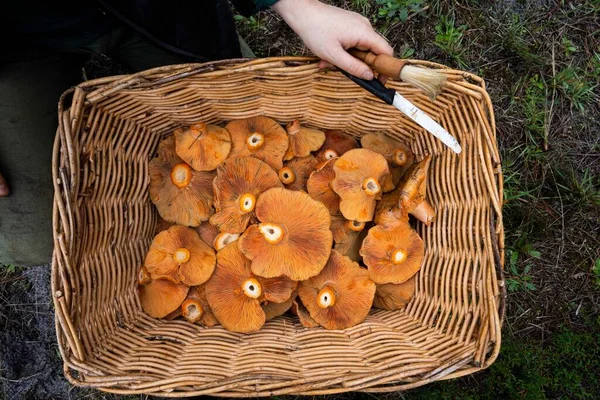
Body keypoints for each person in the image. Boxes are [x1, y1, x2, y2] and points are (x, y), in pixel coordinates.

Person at [0, 0, 392, 265]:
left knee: (240, 123)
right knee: (37, 238)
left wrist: (295, 3)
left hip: (161, 11)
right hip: (21, 32)